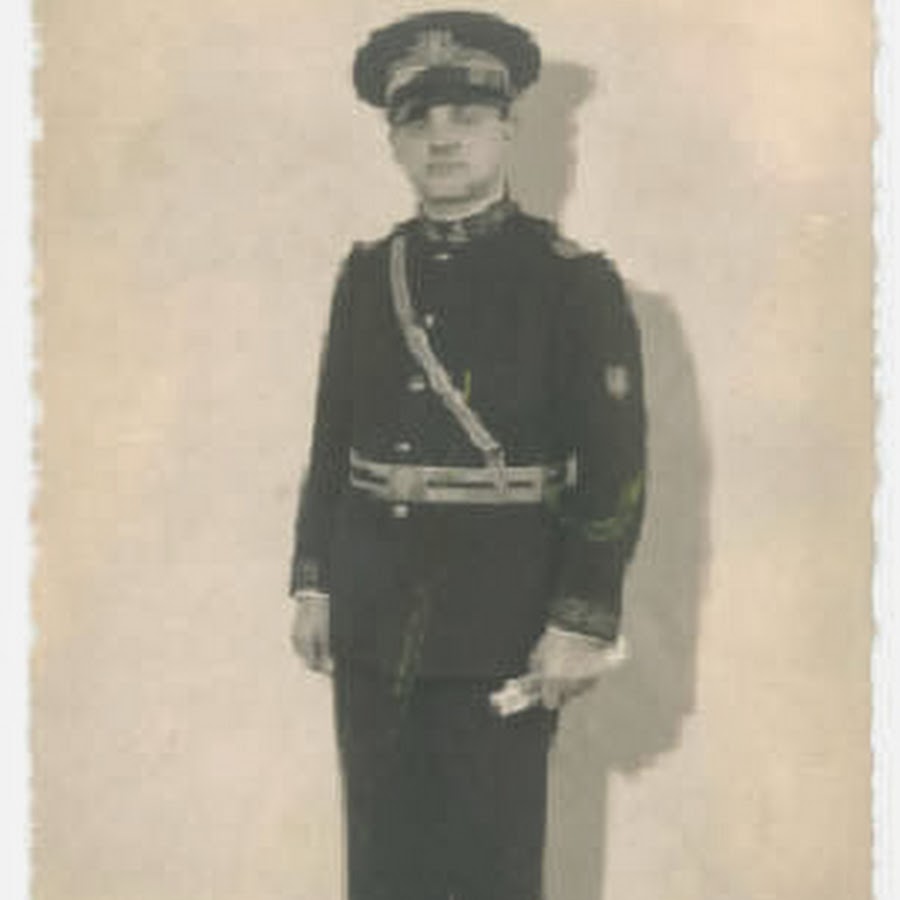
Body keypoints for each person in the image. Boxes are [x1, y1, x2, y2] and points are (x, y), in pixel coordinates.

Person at [289, 10, 646, 900]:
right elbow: (333, 437)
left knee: (489, 869)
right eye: (418, 121)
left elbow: (615, 466)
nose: (442, 138)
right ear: (394, 143)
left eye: (466, 116)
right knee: (382, 866)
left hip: (503, 622)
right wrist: (314, 582)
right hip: (371, 618)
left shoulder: (573, 281)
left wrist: (581, 619)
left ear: (507, 129)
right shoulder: (368, 274)